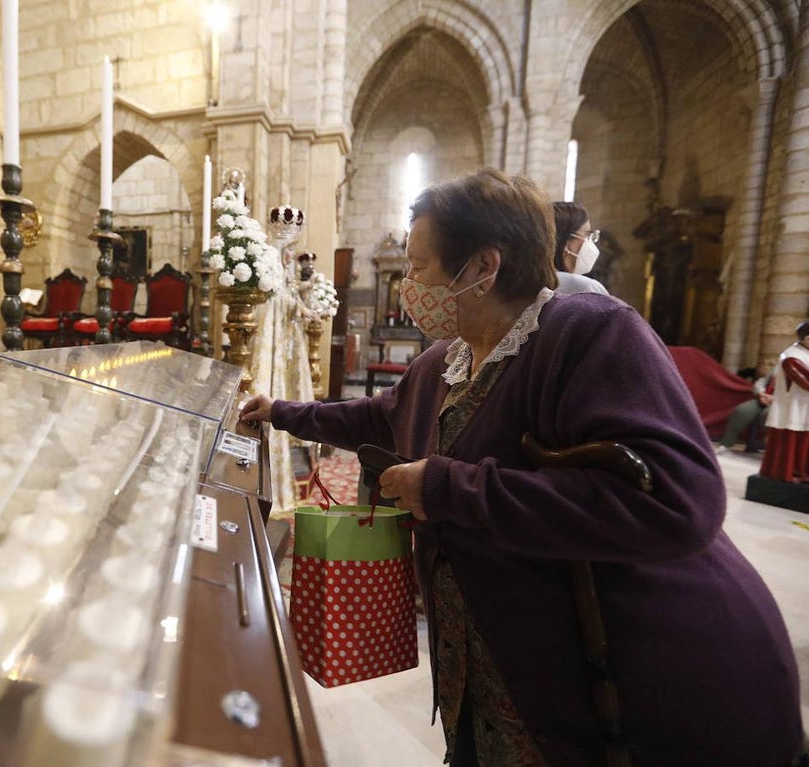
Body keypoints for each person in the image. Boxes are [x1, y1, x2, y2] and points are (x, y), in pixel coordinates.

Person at [240, 169, 804, 766]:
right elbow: (381, 416)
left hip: (637, 681)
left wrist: (450, 487)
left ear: (483, 267)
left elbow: (678, 502)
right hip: (494, 676)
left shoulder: (592, 334)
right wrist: (282, 412)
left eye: (420, 265)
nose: (410, 284)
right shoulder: (445, 360)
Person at [760, 321, 809, 482]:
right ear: (807, 338)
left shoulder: (805, 353)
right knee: (790, 441)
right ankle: (787, 474)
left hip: (803, 406)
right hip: (792, 407)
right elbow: (805, 381)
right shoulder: (792, 356)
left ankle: (801, 473)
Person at [552, 201, 608, 295]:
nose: (590, 242)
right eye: (587, 235)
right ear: (565, 242)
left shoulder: (527, 283)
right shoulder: (587, 289)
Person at [716, 367, 774, 453]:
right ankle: (726, 444)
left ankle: (772, 451)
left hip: (781, 405)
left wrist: (774, 399)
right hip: (763, 399)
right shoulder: (779, 366)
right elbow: (761, 382)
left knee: (767, 414)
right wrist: (761, 393)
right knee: (742, 410)